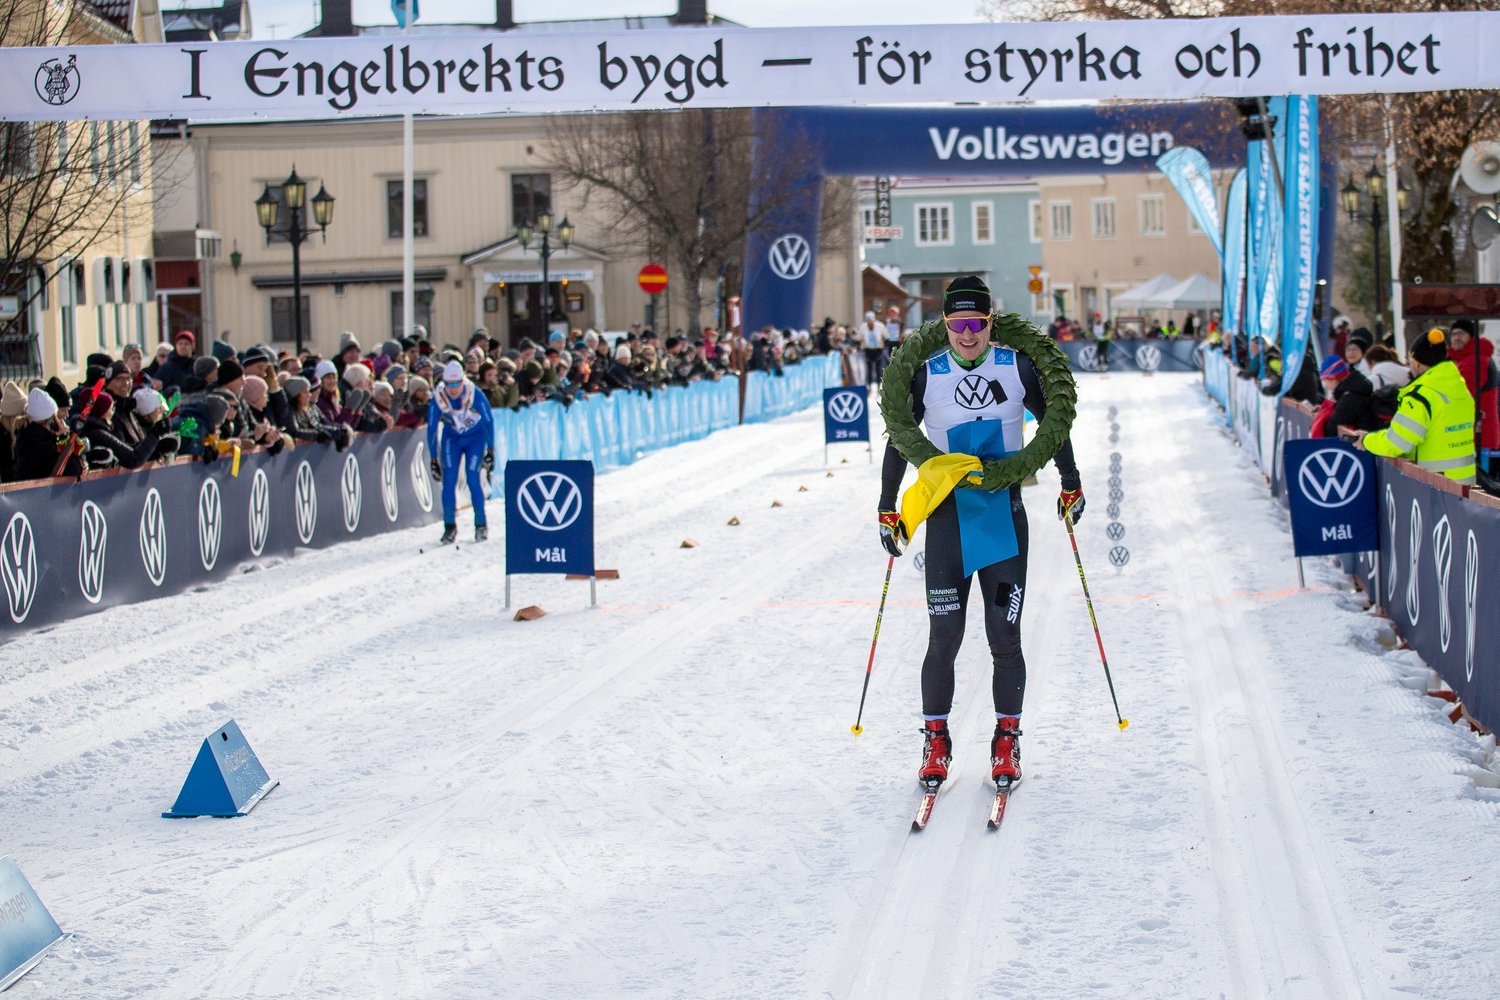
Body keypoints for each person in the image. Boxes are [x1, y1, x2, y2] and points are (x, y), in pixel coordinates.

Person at [877, 274, 1082, 791]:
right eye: (957, 324)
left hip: (1001, 518)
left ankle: (1007, 740)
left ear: (992, 323)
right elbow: (900, 438)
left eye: (977, 324)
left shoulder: (1019, 367)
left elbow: (1055, 426)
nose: (967, 334)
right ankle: (936, 742)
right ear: (944, 325)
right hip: (948, 521)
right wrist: (887, 506)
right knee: (944, 635)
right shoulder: (926, 374)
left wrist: (1071, 481)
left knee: (1003, 634)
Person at [1354, 328, 1477, 485]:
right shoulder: (1460, 389)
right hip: (1465, 488)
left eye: (1410, 360)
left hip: (1435, 488)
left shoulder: (1420, 397)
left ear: (1418, 364)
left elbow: (1398, 443)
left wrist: (1367, 440)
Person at [427, 360, 495, 544]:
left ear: (463, 381)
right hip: (452, 439)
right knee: (449, 481)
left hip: (475, 439)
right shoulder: (439, 396)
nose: (453, 389)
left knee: (473, 478)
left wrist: (490, 450)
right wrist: (433, 459)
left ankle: (480, 524)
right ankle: (449, 527)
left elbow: (489, 421)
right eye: (449, 384)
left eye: (457, 384)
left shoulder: (474, 394)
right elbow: (432, 429)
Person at [1445, 319, 1499, 470]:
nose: (1456, 338)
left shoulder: (1475, 360)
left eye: (1461, 334)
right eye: (1453, 334)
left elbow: (1461, 394)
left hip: (1479, 437)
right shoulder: (1466, 359)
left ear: (1472, 337)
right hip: (1478, 436)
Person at [1310, 356, 1379, 438]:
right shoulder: (1355, 388)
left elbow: (1331, 429)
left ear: (1334, 379)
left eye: (1325, 381)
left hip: (1362, 446)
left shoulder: (1349, 398)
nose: (1325, 386)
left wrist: (1324, 414)